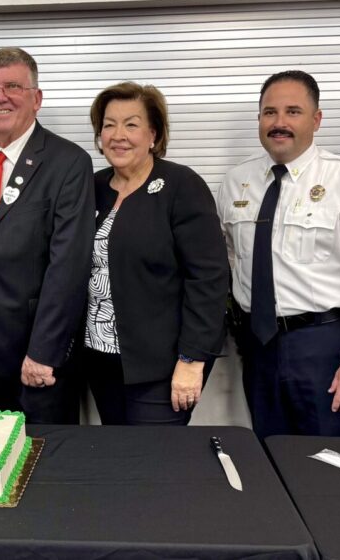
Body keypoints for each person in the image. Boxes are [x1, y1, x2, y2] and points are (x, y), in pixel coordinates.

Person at [216, 70, 340, 438]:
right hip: (259, 346)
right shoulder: (237, 181)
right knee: (270, 455)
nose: (279, 123)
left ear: (316, 119)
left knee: (331, 466)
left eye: (293, 112)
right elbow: (233, 258)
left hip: (324, 347)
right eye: (270, 112)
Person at [0, 47, 94, 424]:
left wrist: (44, 350)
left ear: (37, 98)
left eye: (12, 86)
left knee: (45, 463)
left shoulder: (69, 162)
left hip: (36, 350)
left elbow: (69, 265)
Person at [83, 82, 230, 425]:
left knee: (153, 466)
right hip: (101, 361)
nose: (118, 135)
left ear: (153, 134)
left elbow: (209, 277)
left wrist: (192, 360)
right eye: (108, 124)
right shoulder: (91, 187)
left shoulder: (181, 186)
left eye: (131, 124)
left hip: (162, 367)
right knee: (117, 457)